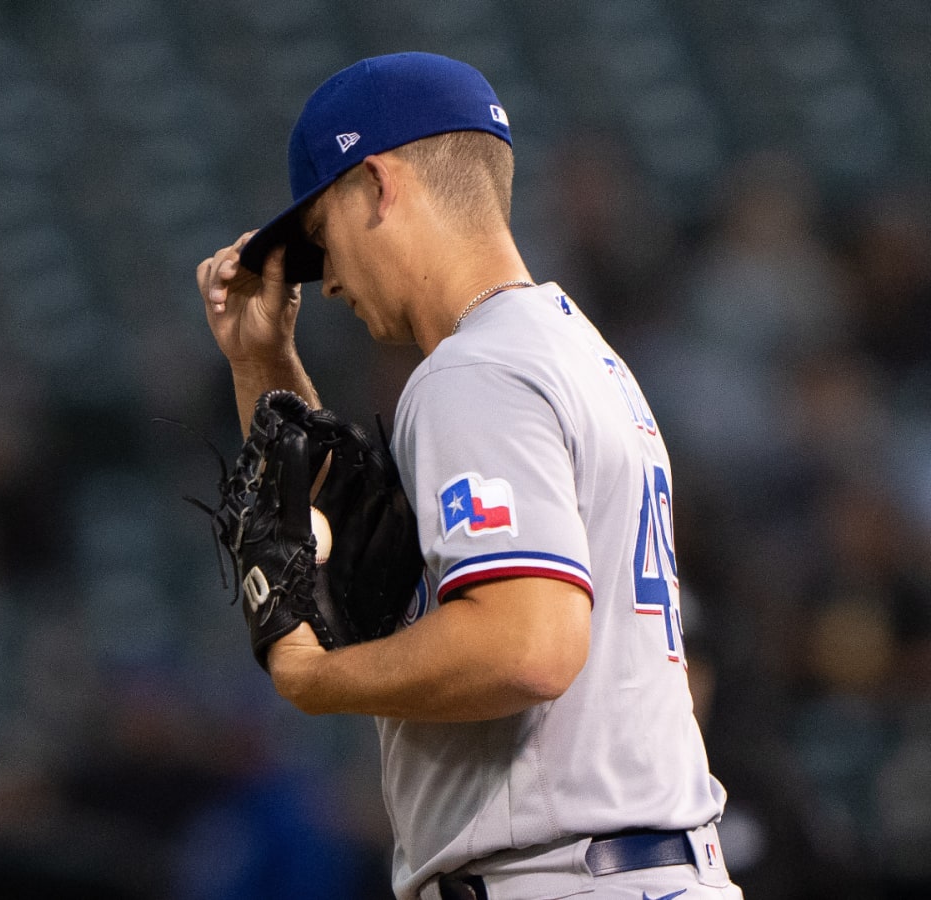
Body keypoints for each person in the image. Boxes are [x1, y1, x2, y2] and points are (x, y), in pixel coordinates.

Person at [196, 52, 742, 900]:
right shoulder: (573, 352)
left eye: (321, 236)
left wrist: (315, 681)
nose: (328, 277)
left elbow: (525, 646)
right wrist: (264, 363)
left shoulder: (473, 373)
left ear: (377, 185)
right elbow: (365, 566)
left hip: (561, 878)